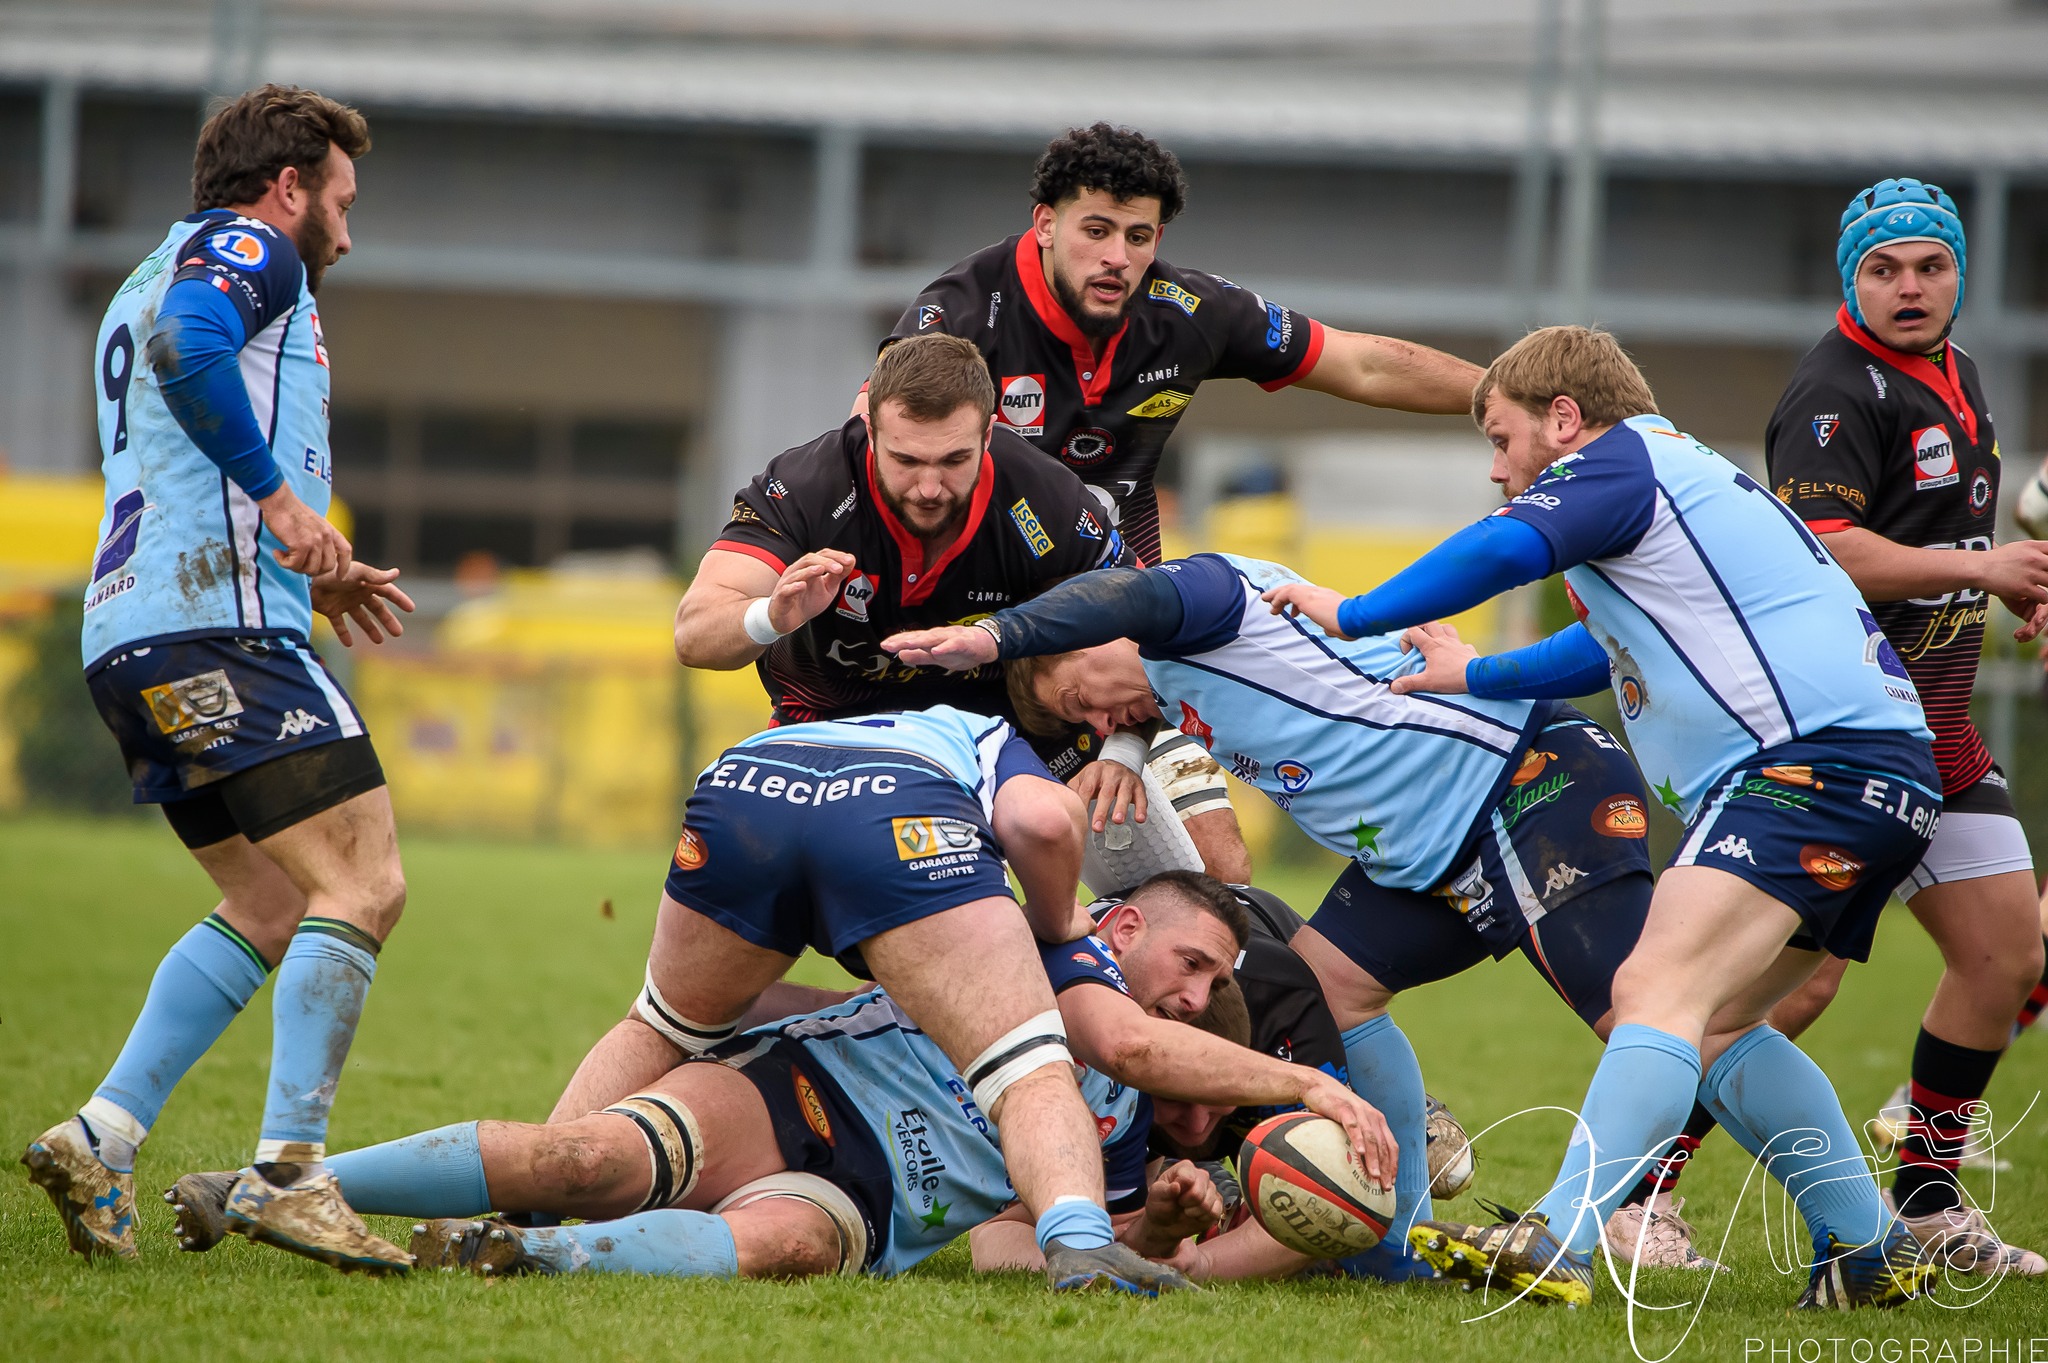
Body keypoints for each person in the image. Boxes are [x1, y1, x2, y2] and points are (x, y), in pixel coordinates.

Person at [1266, 324, 1944, 1310]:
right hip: (1880, 774)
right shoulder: (1672, 482)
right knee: (1712, 1026)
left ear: (1564, 420)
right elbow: (1604, 654)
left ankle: (1560, 1237)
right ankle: (1862, 1247)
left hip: (1808, 769)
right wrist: (1475, 674)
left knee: (1653, 988)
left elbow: (1504, 546)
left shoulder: (1619, 460)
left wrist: (1353, 612)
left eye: (1501, 442)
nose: (1497, 472)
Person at [881, 547, 1664, 1280]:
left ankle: (1572, 1232)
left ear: (1090, 633)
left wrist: (995, 636)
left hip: (1511, 780)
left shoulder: (1200, 590)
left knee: (1665, 1015)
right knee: (1335, 983)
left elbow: (1133, 595)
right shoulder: (1168, 668)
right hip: (1431, 835)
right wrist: (1121, 746)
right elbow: (1156, 681)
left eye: (1080, 701)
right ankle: (1396, 1242)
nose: (1095, 722)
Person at [170, 873, 1390, 1290]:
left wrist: (1155, 1221)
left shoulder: (1129, 1122)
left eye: (1213, 982)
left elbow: (1042, 1234)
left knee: (780, 1255)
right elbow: (1122, 1040)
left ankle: (497, 1255)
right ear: (1123, 926)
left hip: (869, 1203)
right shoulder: (1043, 955)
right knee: (585, 1161)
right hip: (795, 1096)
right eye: (1188, 964)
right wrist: (1313, 1090)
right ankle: (271, 1184)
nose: (1189, 993)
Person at [21, 84, 417, 1275]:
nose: (347, 230)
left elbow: (182, 373)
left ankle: (101, 1134)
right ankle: (291, 1171)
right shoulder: (251, 249)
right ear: (288, 187)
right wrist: (288, 504)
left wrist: (312, 564)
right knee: (366, 880)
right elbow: (190, 349)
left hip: (129, 636)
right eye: (341, 201)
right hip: (217, 634)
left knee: (272, 901)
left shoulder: (147, 268)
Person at [512, 702, 1196, 1289]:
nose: (1196, 996)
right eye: (1196, 966)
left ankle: (522, 1227)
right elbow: (1046, 827)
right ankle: (1078, 1243)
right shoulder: (993, 731)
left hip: (749, 781)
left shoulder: (962, 698)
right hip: (889, 820)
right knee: (1028, 1069)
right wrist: (1055, 918)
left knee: (660, 1031)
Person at [1756, 179, 2046, 1277]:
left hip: (1940, 733)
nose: (1908, 286)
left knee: (2003, 954)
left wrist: (2014, 590)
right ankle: (1643, 1198)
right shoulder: (1833, 389)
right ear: (1850, 280)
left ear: (1959, 274)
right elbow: (1822, 541)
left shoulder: (1961, 376)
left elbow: (1946, 541)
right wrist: (1981, 567)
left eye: (1928, 265)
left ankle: (1924, 1202)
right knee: (1786, 987)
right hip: (1842, 732)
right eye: (1883, 269)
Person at [877, 122, 1482, 565]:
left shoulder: (1195, 311)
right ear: (1045, 225)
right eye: (1096, 230)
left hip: (1118, 590)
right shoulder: (964, 307)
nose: (1118, 257)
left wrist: (1509, 397)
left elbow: (1364, 366)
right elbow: (874, 436)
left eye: (1138, 236)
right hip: (965, 583)